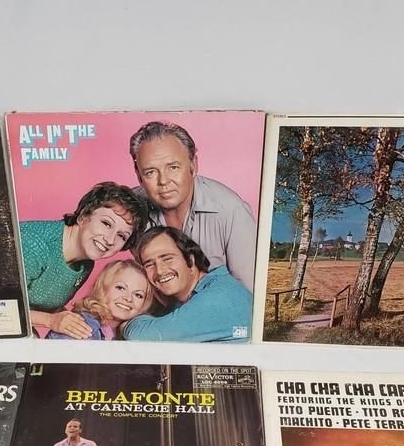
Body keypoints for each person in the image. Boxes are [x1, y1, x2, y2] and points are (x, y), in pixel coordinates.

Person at [130, 121, 256, 291]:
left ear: (193, 165)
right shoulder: (129, 209)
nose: (163, 181)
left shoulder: (232, 211)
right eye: (150, 172)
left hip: (217, 305)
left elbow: (247, 293)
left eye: (173, 167)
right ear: (139, 176)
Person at [20, 182, 150, 339]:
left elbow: (46, 303)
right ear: (83, 217)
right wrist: (51, 320)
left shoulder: (85, 263)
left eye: (121, 236)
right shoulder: (34, 244)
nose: (110, 240)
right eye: (106, 223)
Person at [122, 226, 252, 343]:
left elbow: (145, 335)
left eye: (167, 259)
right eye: (149, 264)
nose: (160, 271)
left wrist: (125, 324)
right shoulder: (188, 298)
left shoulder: (219, 297)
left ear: (190, 259)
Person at [46, 259, 153, 340]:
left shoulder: (120, 333)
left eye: (138, 295)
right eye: (120, 288)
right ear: (103, 288)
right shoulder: (85, 325)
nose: (128, 298)